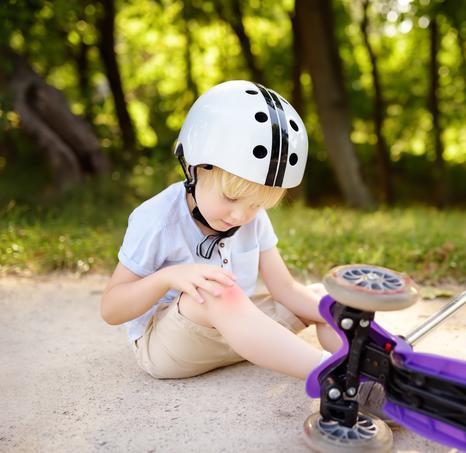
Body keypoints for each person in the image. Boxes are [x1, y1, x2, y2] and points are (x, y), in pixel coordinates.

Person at [100, 80, 342, 380]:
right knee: (214, 292)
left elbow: (285, 289)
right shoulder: (157, 219)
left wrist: (354, 323)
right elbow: (111, 309)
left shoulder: (251, 217)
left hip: (240, 335)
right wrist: (168, 277)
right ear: (194, 168)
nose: (241, 215)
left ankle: (368, 367)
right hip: (170, 347)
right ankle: (334, 377)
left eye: (257, 204)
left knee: (325, 302)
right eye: (231, 197)